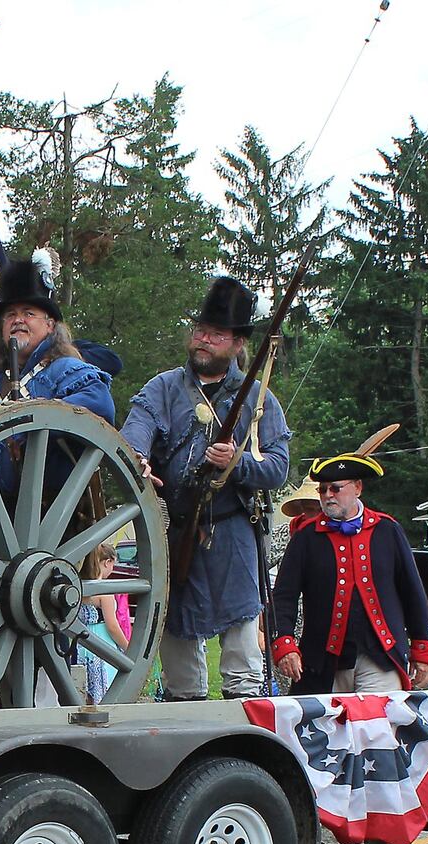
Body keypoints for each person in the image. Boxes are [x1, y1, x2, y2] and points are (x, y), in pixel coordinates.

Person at [122, 276, 289, 700]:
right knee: (176, 644)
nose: (203, 340)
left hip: (233, 534)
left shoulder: (258, 397)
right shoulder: (162, 388)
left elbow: (278, 467)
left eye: (215, 335)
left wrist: (237, 463)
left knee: (242, 650)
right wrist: (136, 459)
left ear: (236, 344)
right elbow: (134, 434)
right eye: (199, 331)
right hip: (176, 530)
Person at [0, 250, 115, 471]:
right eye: (10, 315)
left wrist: (27, 426)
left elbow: (99, 404)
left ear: (50, 325)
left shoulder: (68, 370)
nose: (18, 320)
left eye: (28, 313)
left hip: (46, 502)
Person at [272, 452, 428, 694]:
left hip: (380, 655)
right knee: (325, 729)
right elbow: (284, 596)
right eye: (323, 490)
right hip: (322, 660)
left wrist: (421, 647)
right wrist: (285, 643)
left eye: (335, 488)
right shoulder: (306, 538)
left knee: (378, 727)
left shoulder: (387, 530)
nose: (327, 495)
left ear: (357, 488)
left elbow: (412, 592)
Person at [78, 543, 131, 703]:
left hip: (80, 642)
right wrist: (127, 647)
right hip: (102, 642)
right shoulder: (104, 592)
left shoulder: (79, 587)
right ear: (107, 562)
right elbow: (112, 626)